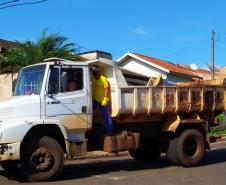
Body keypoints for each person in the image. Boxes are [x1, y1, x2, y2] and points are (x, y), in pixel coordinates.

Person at [91, 66, 113, 134]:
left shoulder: (104, 79)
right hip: (95, 99)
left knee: (106, 116)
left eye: (96, 75)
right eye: (94, 75)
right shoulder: (93, 78)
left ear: (98, 73)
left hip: (103, 100)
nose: (95, 77)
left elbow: (106, 89)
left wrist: (105, 98)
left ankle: (110, 131)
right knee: (88, 110)